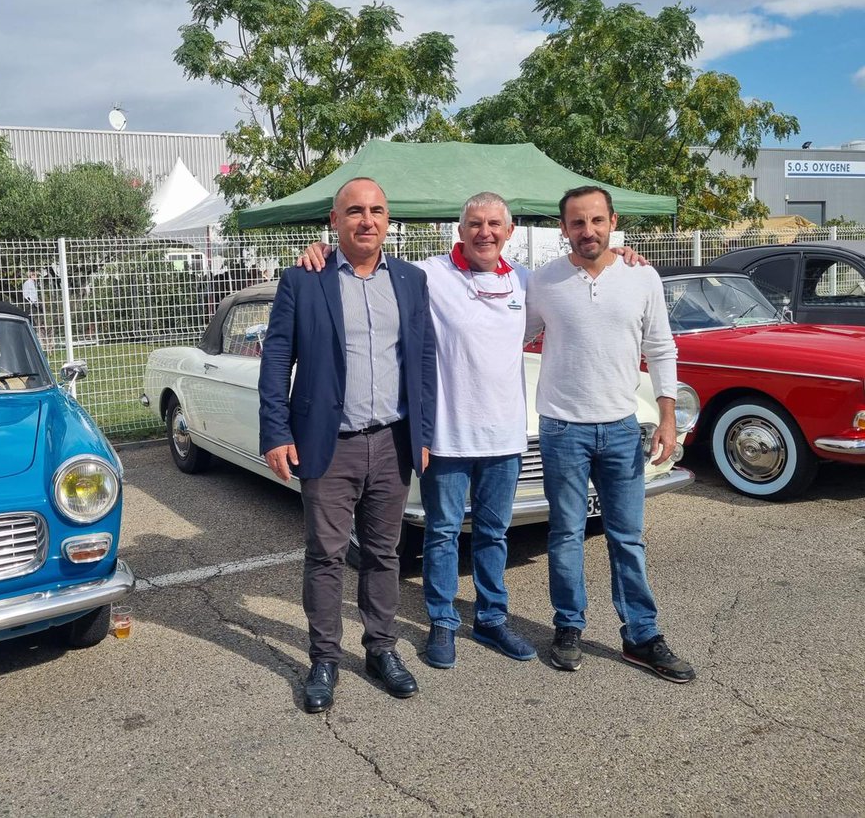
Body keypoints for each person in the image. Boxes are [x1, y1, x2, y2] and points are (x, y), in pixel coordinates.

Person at [299, 194, 651, 670]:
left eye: (494, 224)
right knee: (443, 534)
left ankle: (491, 618)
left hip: (504, 436)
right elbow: (368, 258)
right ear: (460, 231)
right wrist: (320, 249)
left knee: (493, 534)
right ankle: (443, 623)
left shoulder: (529, 281)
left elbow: (584, 273)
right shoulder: (429, 274)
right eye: (474, 224)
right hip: (447, 435)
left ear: (508, 232)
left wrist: (626, 258)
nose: (485, 232)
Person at [259, 177, 437, 713]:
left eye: (377, 210)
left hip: (391, 441)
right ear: (334, 221)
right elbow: (276, 361)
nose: (367, 220)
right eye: (354, 210)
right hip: (327, 445)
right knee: (327, 556)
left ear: (388, 220)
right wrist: (276, 431)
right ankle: (324, 658)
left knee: (385, 553)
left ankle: (381, 648)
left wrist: (423, 434)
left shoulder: (410, 280)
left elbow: (423, 360)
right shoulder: (304, 279)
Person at [525, 185, 695, 683]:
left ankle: (641, 635)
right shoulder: (543, 281)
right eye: (577, 222)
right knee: (565, 535)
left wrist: (668, 417)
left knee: (627, 537)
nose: (588, 231)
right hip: (562, 429)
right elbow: (507, 334)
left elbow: (662, 348)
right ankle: (568, 627)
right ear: (562, 228)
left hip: (622, 427)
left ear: (613, 221)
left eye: (597, 221)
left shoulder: (641, 276)